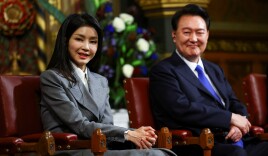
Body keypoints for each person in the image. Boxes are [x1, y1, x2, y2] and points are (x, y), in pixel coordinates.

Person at [149, 4, 268, 156]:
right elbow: (181, 109)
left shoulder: (214, 69)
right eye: (186, 32)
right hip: (200, 144)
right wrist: (229, 118)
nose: (193, 39)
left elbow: (234, 102)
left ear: (207, 35)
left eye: (200, 32)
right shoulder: (163, 70)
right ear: (174, 35)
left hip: (234, 140)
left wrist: (238, 125)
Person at [40, 13, 175, 156]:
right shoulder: (52, 78)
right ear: (65, 41)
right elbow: (79, 125)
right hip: (71, 149)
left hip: (99, 148)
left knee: (159, 152)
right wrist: (129, 133)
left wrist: (140, 136)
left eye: (93, 42)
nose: (86, 47)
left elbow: (107, 126)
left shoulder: (100, 81)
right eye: (79, 39)